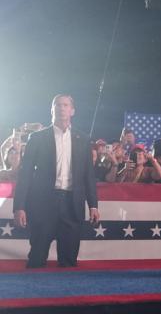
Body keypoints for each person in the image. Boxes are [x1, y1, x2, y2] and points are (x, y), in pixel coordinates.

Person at [13, 95, 99, 268]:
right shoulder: (37, 138)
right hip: (43, 203)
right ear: (51, 110)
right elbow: (26, 174)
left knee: (68, 261)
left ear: (72, 111)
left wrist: (93, 205)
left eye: (66, 105)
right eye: (58, 105)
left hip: (72, 204)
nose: (61, 108)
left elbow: (88, 175)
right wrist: (19, 207)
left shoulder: (83, 139)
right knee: (37, 258)